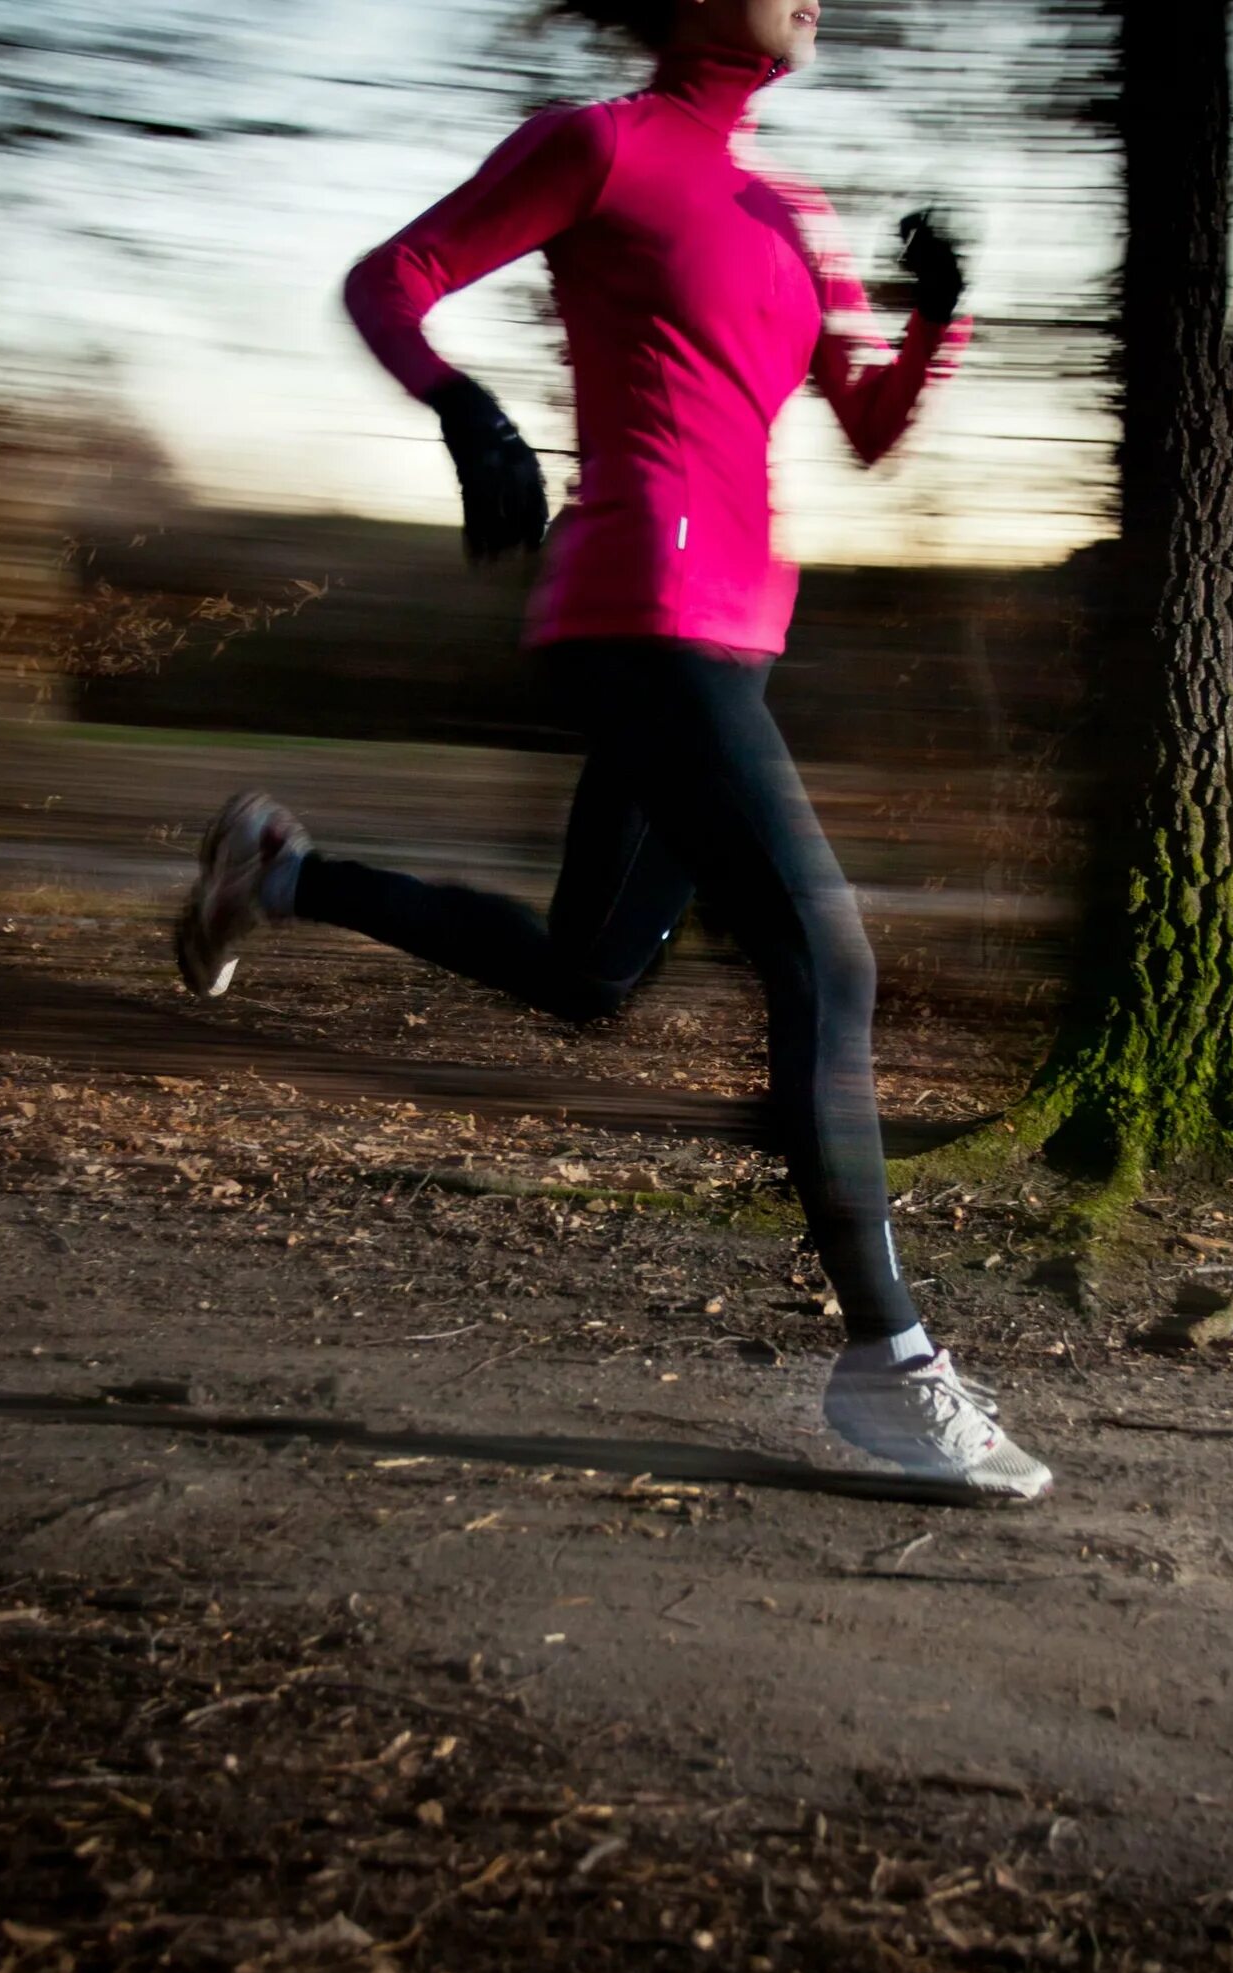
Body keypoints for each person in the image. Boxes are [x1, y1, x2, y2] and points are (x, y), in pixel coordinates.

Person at [173, 0, 1050, 1501]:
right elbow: (394, 280)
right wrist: (465, 413)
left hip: (736, 627)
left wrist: (938, 317)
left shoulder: (792, 208)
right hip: (638, 597)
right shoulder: (603, 147)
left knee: (590, 975)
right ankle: (889, 1364)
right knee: (826, 964)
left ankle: (281, 870)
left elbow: (866, 424)